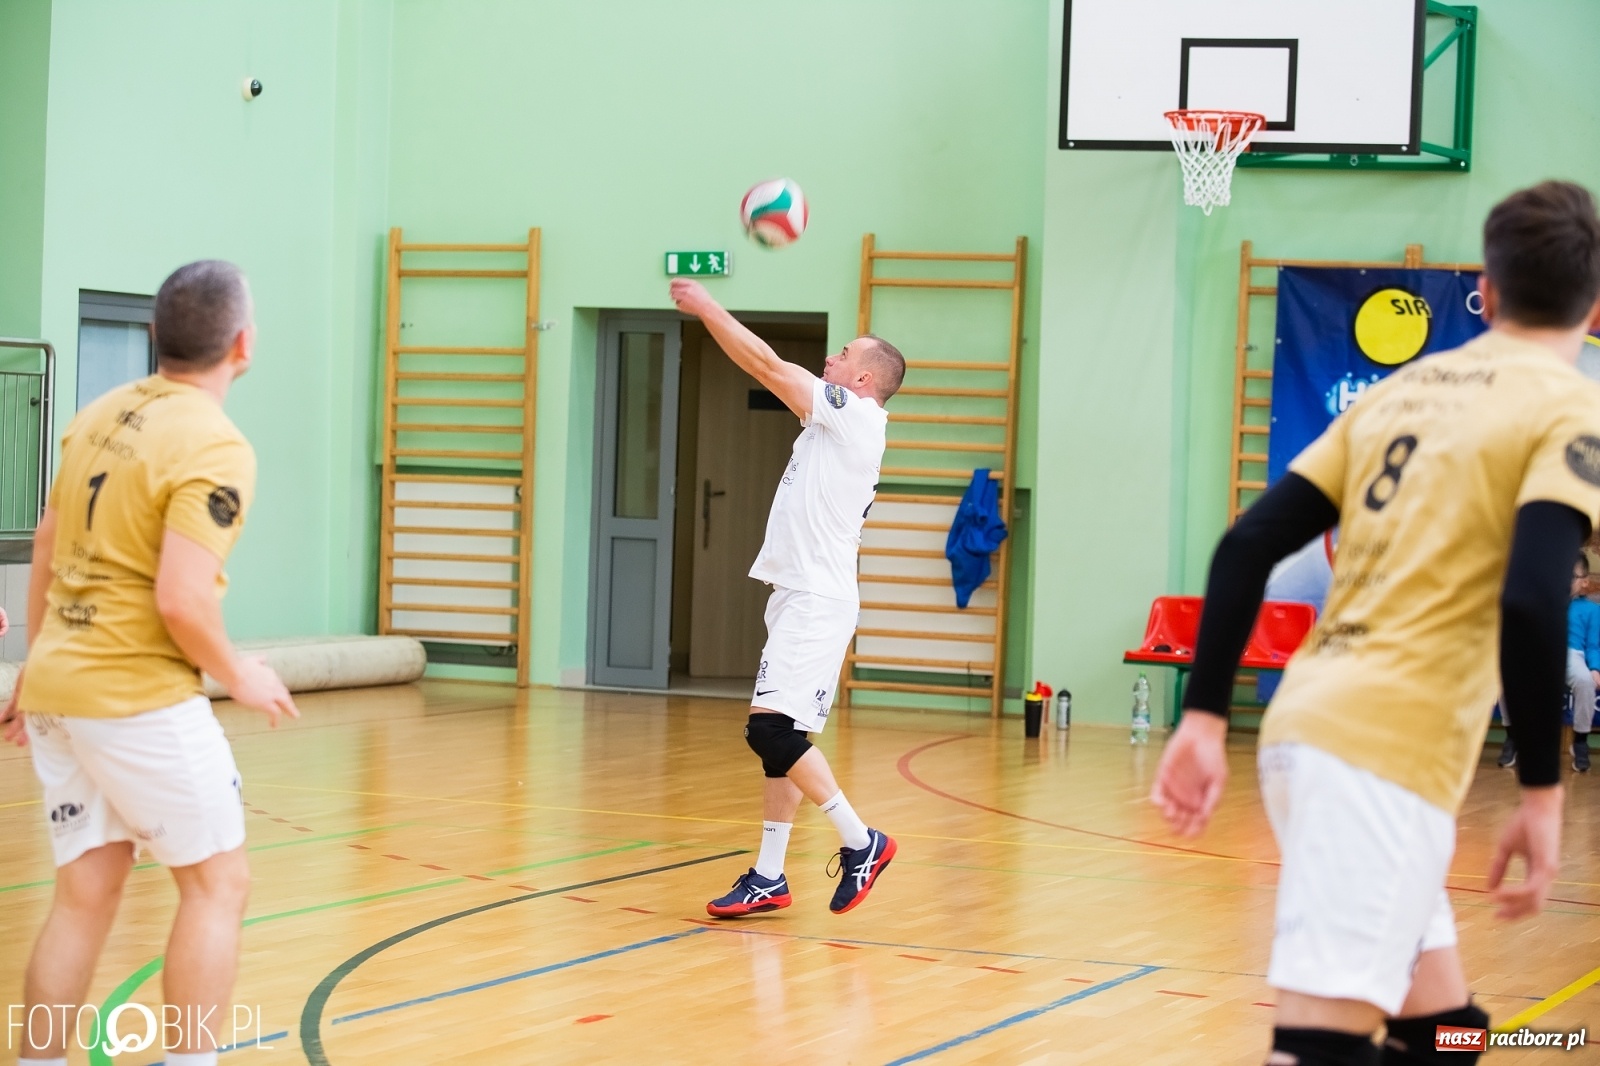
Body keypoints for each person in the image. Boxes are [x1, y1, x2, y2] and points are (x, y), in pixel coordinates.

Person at [1152, 180, 1600, 1066]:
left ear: (1491, 290)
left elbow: (1245, 546)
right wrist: (1545, 794)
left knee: (1446, 1035)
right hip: (1384, 759)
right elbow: (1531, 596)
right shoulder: (1569, 409)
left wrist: (1204, 716)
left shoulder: (1403, 391)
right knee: (1319, 1047)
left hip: (1312, 730)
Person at [1, 260, 298, 1066]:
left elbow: (47, 546)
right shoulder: (215, 442)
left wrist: (34, 670)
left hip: (61, 686)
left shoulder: (98, 414)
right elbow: (181, 600)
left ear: (156, 336)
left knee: (84, 895)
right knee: (218, 885)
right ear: (243, 343)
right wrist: (241, 674)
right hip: (135, 694)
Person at [668, 278, 904, 918]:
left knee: (769, 732)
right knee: (786, 740)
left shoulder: (853, 414)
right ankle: (770, 875)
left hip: (817, 600)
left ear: (862, 379)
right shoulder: (836, 425)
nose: (831, 356)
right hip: (804, 594)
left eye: (844, 353)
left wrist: (707, 308)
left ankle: (862, 840)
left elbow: (767, 365)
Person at [1501, 552, 1599, 772]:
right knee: (1508, 678)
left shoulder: (1592, 610)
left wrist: (1595, 668)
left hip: (1571, 654)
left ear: (1584, 582)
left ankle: (1580, 740)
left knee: (1585, 681)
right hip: (1538, 651)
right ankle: (1512, 737)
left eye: (1571, 576)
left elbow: (1593, 646)